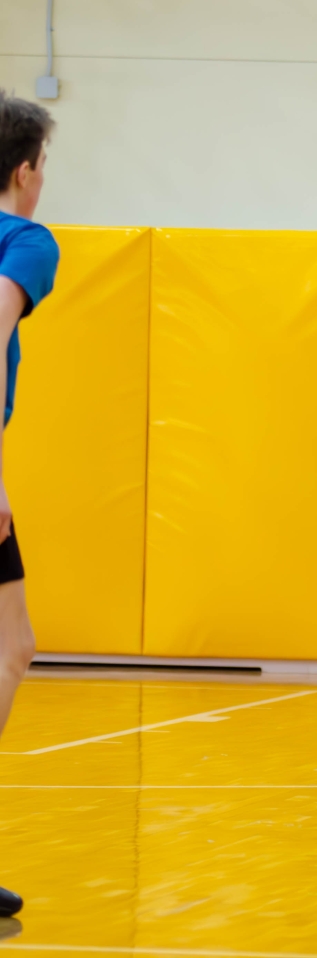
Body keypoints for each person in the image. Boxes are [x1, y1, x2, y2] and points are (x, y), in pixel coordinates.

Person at [0, 93, 62, 919]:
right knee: (8, 650)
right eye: (44, 166)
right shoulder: (25, 240)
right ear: (24, 172)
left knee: (13, 646)